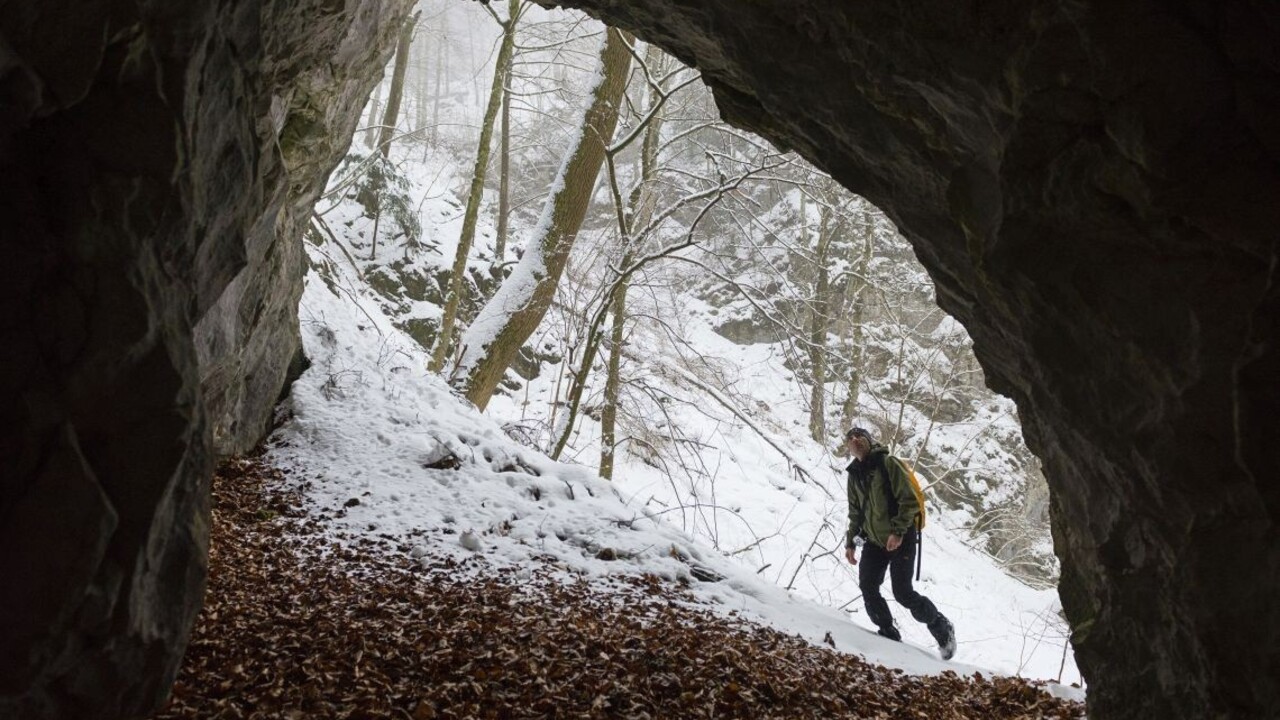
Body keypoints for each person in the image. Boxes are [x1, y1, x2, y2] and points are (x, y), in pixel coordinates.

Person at [843, 426, 956, 660]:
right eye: (850, 438)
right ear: (848, 447)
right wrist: (850, 543)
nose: (855, 440)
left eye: (860, 436)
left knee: (903, 593)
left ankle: (941, 626)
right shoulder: (854, 474)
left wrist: (897, 531)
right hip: (875, 540)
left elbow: (910, 501)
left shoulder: (888, 463)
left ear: (869, 441)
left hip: (901, 537)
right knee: (868, 586)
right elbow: (855, 512)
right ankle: (888, 632)